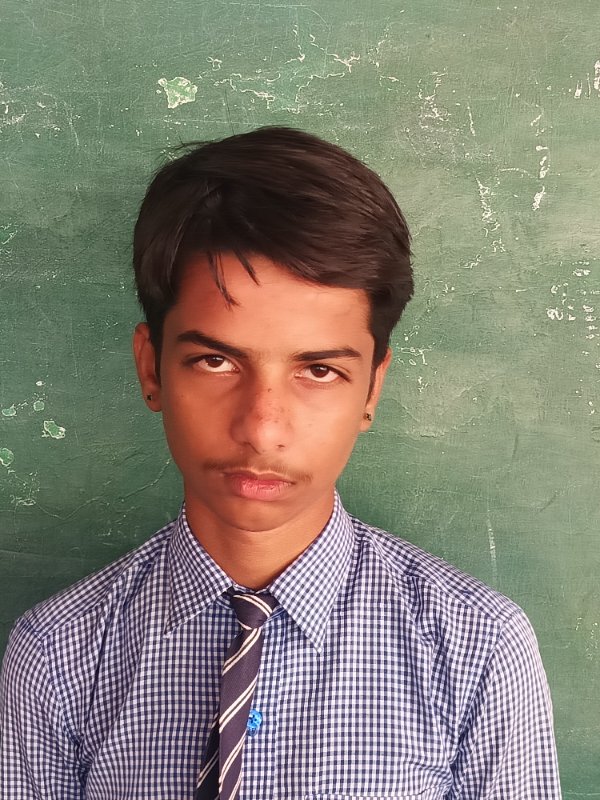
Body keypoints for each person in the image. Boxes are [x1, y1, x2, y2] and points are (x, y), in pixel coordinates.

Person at [0, 126, 561, 799]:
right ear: (152, 368)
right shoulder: (58, 656)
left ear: (371, 390)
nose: (262, 428)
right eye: (215, 360)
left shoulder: (478, 650)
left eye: (319, 370)